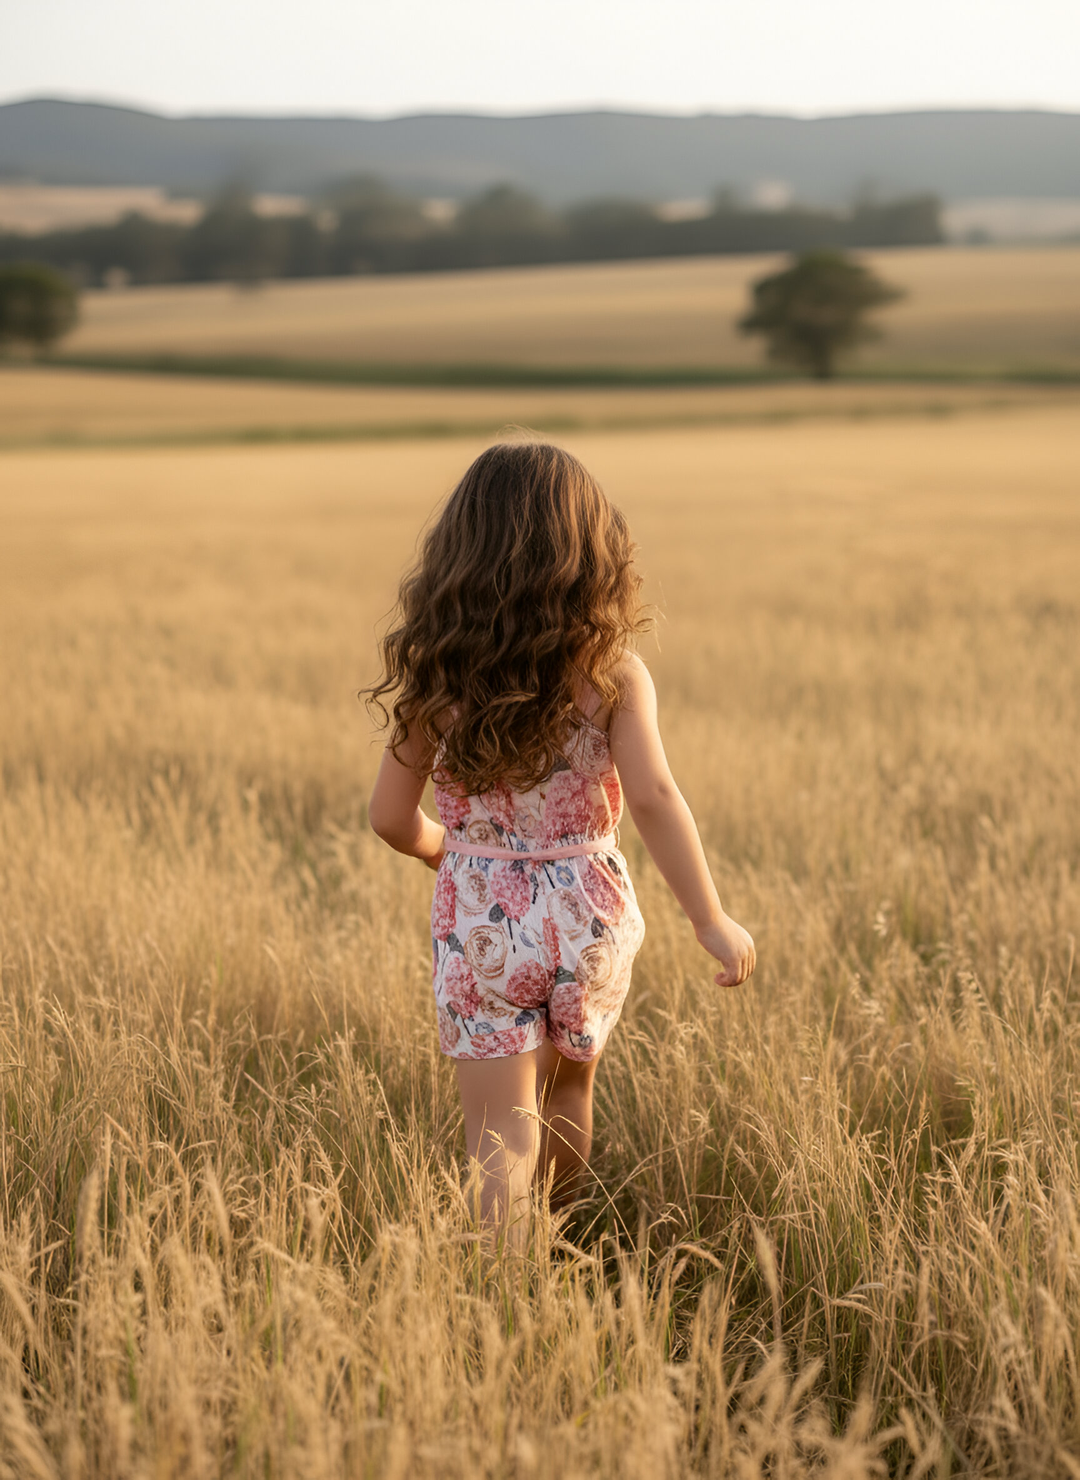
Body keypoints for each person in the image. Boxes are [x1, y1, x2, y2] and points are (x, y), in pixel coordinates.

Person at [365, 441, 755, 1246]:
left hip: (483, 925)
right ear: (590, 554)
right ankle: (559, 1231)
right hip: (590, 916)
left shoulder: (441, 680)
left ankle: (506, 1291)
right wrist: (709, 919)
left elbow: (389, 819)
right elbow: (652, 796)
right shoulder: (614, 673)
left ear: (457, 557)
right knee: (570, 1094)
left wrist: (449, 849)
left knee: (500, 1132)